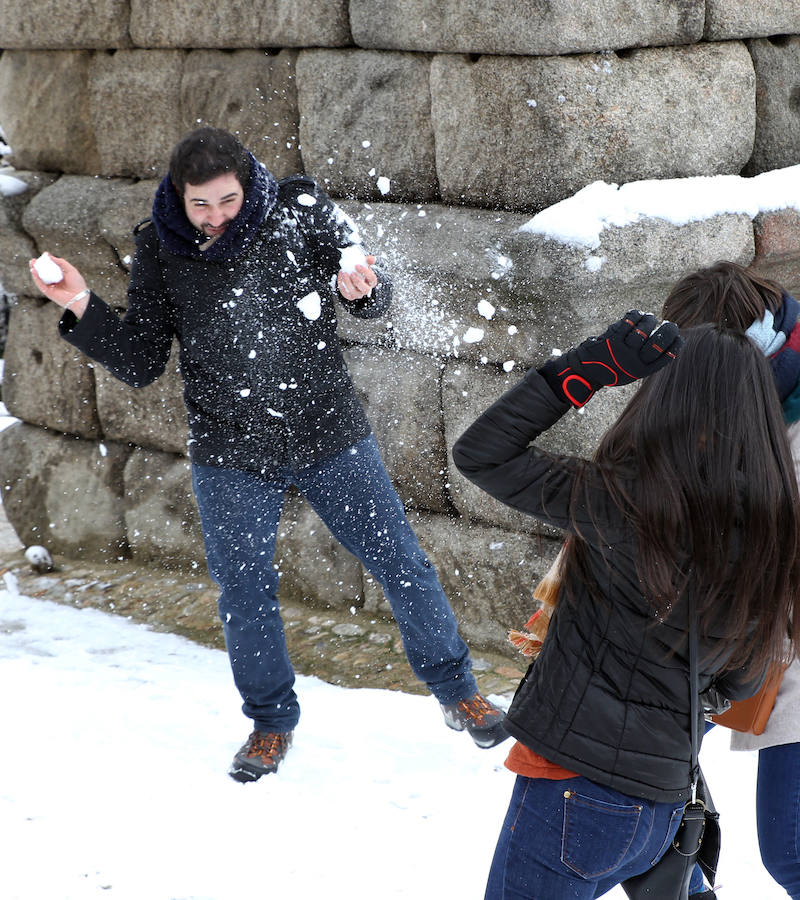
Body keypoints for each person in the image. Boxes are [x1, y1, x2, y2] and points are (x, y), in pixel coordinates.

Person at [29, 126, 507, 782]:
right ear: (178, 195)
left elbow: (369, 294)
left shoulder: (301, 214)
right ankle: (271, 721)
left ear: (246, 184)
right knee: (245, 590)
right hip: (230, 450)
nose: (215, 216)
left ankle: (459, 693)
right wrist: (80, 304)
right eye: (201, 205)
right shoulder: (159, 248)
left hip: (327, 431)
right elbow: (141, 360)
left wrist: (364, 291)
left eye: (226, 200)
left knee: (402, 563)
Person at [452, 310, 800, 898]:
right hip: (663, 801)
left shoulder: (621, 500)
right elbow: (743, 679)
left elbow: (482, 454)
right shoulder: (772, 530)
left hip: (571, 788)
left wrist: (593, 366)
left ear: (667, 403)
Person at [663, 261, 800, 900]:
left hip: (779, 640)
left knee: (792, 852)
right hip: (740, 636)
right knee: (635, 771)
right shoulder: (735, 396)